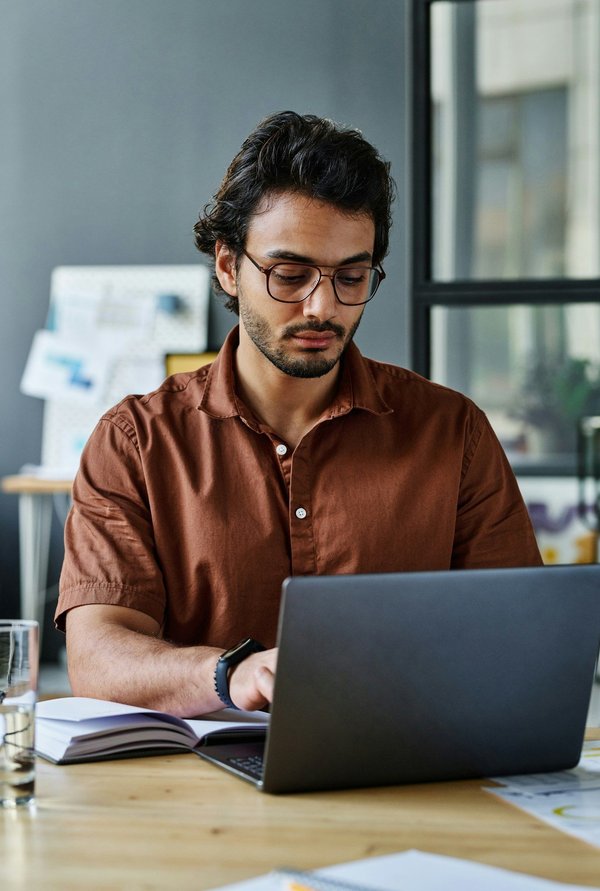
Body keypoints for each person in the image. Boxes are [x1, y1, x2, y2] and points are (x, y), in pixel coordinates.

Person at [57, 111, 542, 717]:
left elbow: (520, 636)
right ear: (229, 268)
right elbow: (98, 658)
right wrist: (232, 674)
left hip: (403, 774)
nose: (322, 306)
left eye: (351, 276)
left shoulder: (453, 432)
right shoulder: (135, 441)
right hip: (194, 791)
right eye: (289, 275)